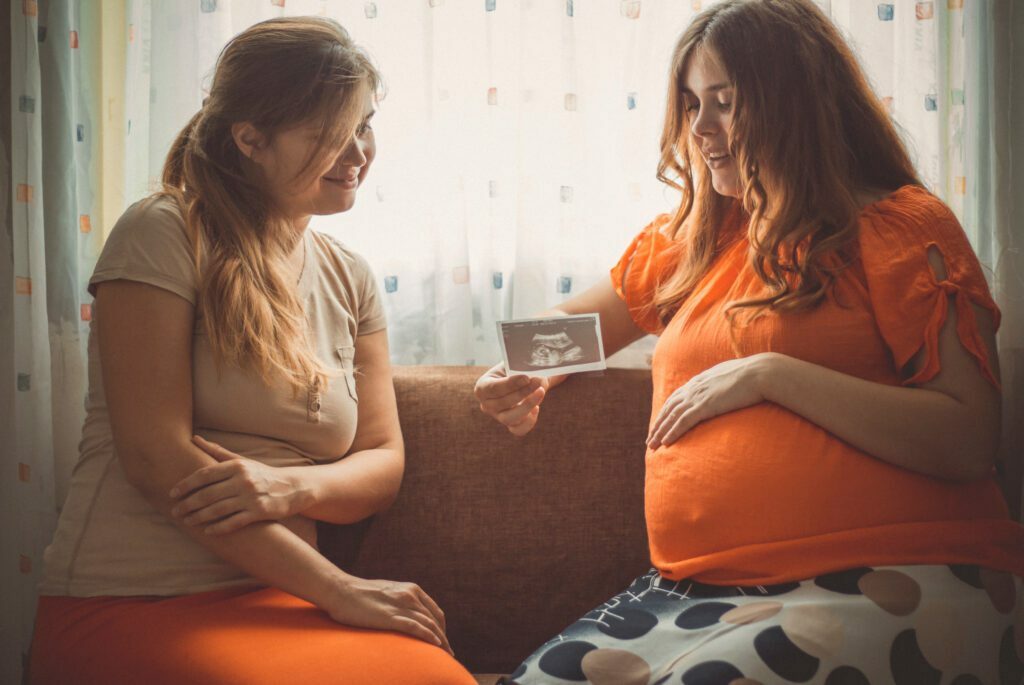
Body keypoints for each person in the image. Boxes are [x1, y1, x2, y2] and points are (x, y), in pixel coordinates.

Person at [475, 2, 1024, 683]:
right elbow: (576, 330)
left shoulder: (901, 227)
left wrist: (770, 373)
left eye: (725, 103)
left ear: (796, 104)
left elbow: (970, 437)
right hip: (702, 591)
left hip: (896, 571)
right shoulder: (699, 239)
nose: (700, 129)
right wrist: (519, 371)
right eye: (691, 103)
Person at [30, 17, 475, 685]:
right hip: (133, 595)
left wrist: (289, 486)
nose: (358, 152)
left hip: (283, 599)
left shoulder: (351, 276)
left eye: (364, 125)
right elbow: (156, 458)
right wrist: (342, 590)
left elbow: (382, 462)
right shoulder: (162, 231)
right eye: (331, 133)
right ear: (250, 139)